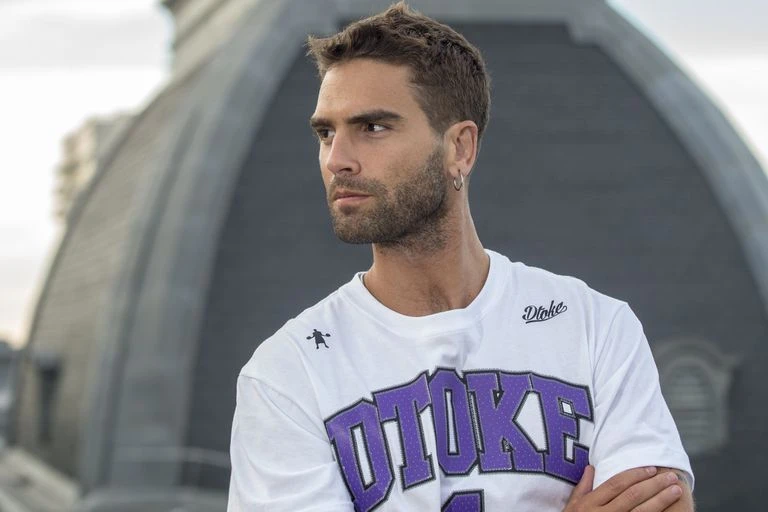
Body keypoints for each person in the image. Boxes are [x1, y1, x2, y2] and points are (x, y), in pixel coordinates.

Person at [227, 2, 694, 511]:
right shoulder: (288, 373)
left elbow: (665, 502)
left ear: (460, 149)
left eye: (373, 127)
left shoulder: (594, 329)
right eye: (326, 133)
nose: (337, 159)